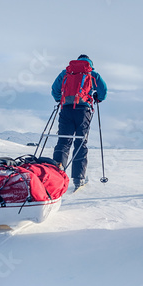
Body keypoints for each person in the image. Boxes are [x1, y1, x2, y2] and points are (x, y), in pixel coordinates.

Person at [51, 54, 107, 189]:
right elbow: (103, 91)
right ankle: (78, 178)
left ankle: (56, 175)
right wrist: (97, 97)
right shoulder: (92, 73)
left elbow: (55, 89)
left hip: (66, 109)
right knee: (80, 142)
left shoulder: (66, 72)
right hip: (83, 111)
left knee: (63, 142)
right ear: (90, 63)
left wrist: (59, 99)